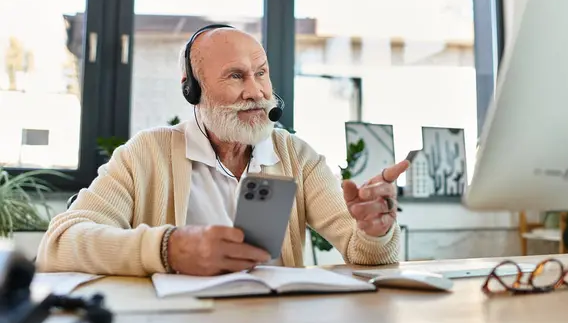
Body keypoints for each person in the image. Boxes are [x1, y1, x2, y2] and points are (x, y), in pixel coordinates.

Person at [36, 24, 410, 277]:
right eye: (236, 76)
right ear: (192, 89)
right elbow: (59, 246)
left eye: (261, 73)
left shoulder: (298, 157)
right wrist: (167, 249)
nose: (257, 92)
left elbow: (368, 255)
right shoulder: (146, 154)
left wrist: (374, 231)